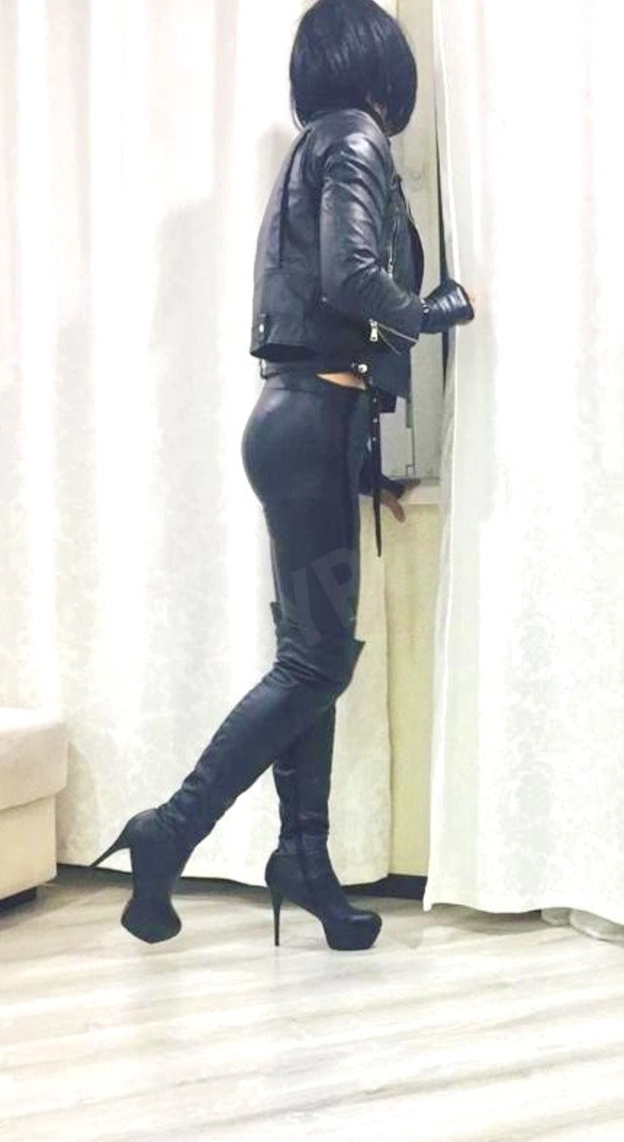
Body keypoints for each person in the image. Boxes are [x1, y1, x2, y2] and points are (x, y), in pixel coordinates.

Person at [93, 0, 474, 951]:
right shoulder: (355, 137)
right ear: (378, 63)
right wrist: (435, 310)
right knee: (316, 661)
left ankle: (303, 853)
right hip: (310, 427)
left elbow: (321, 298)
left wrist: (366, 457)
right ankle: (170, 829)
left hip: (304, 427)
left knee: (310, 655)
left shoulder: (315, 146)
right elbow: (352, 277)